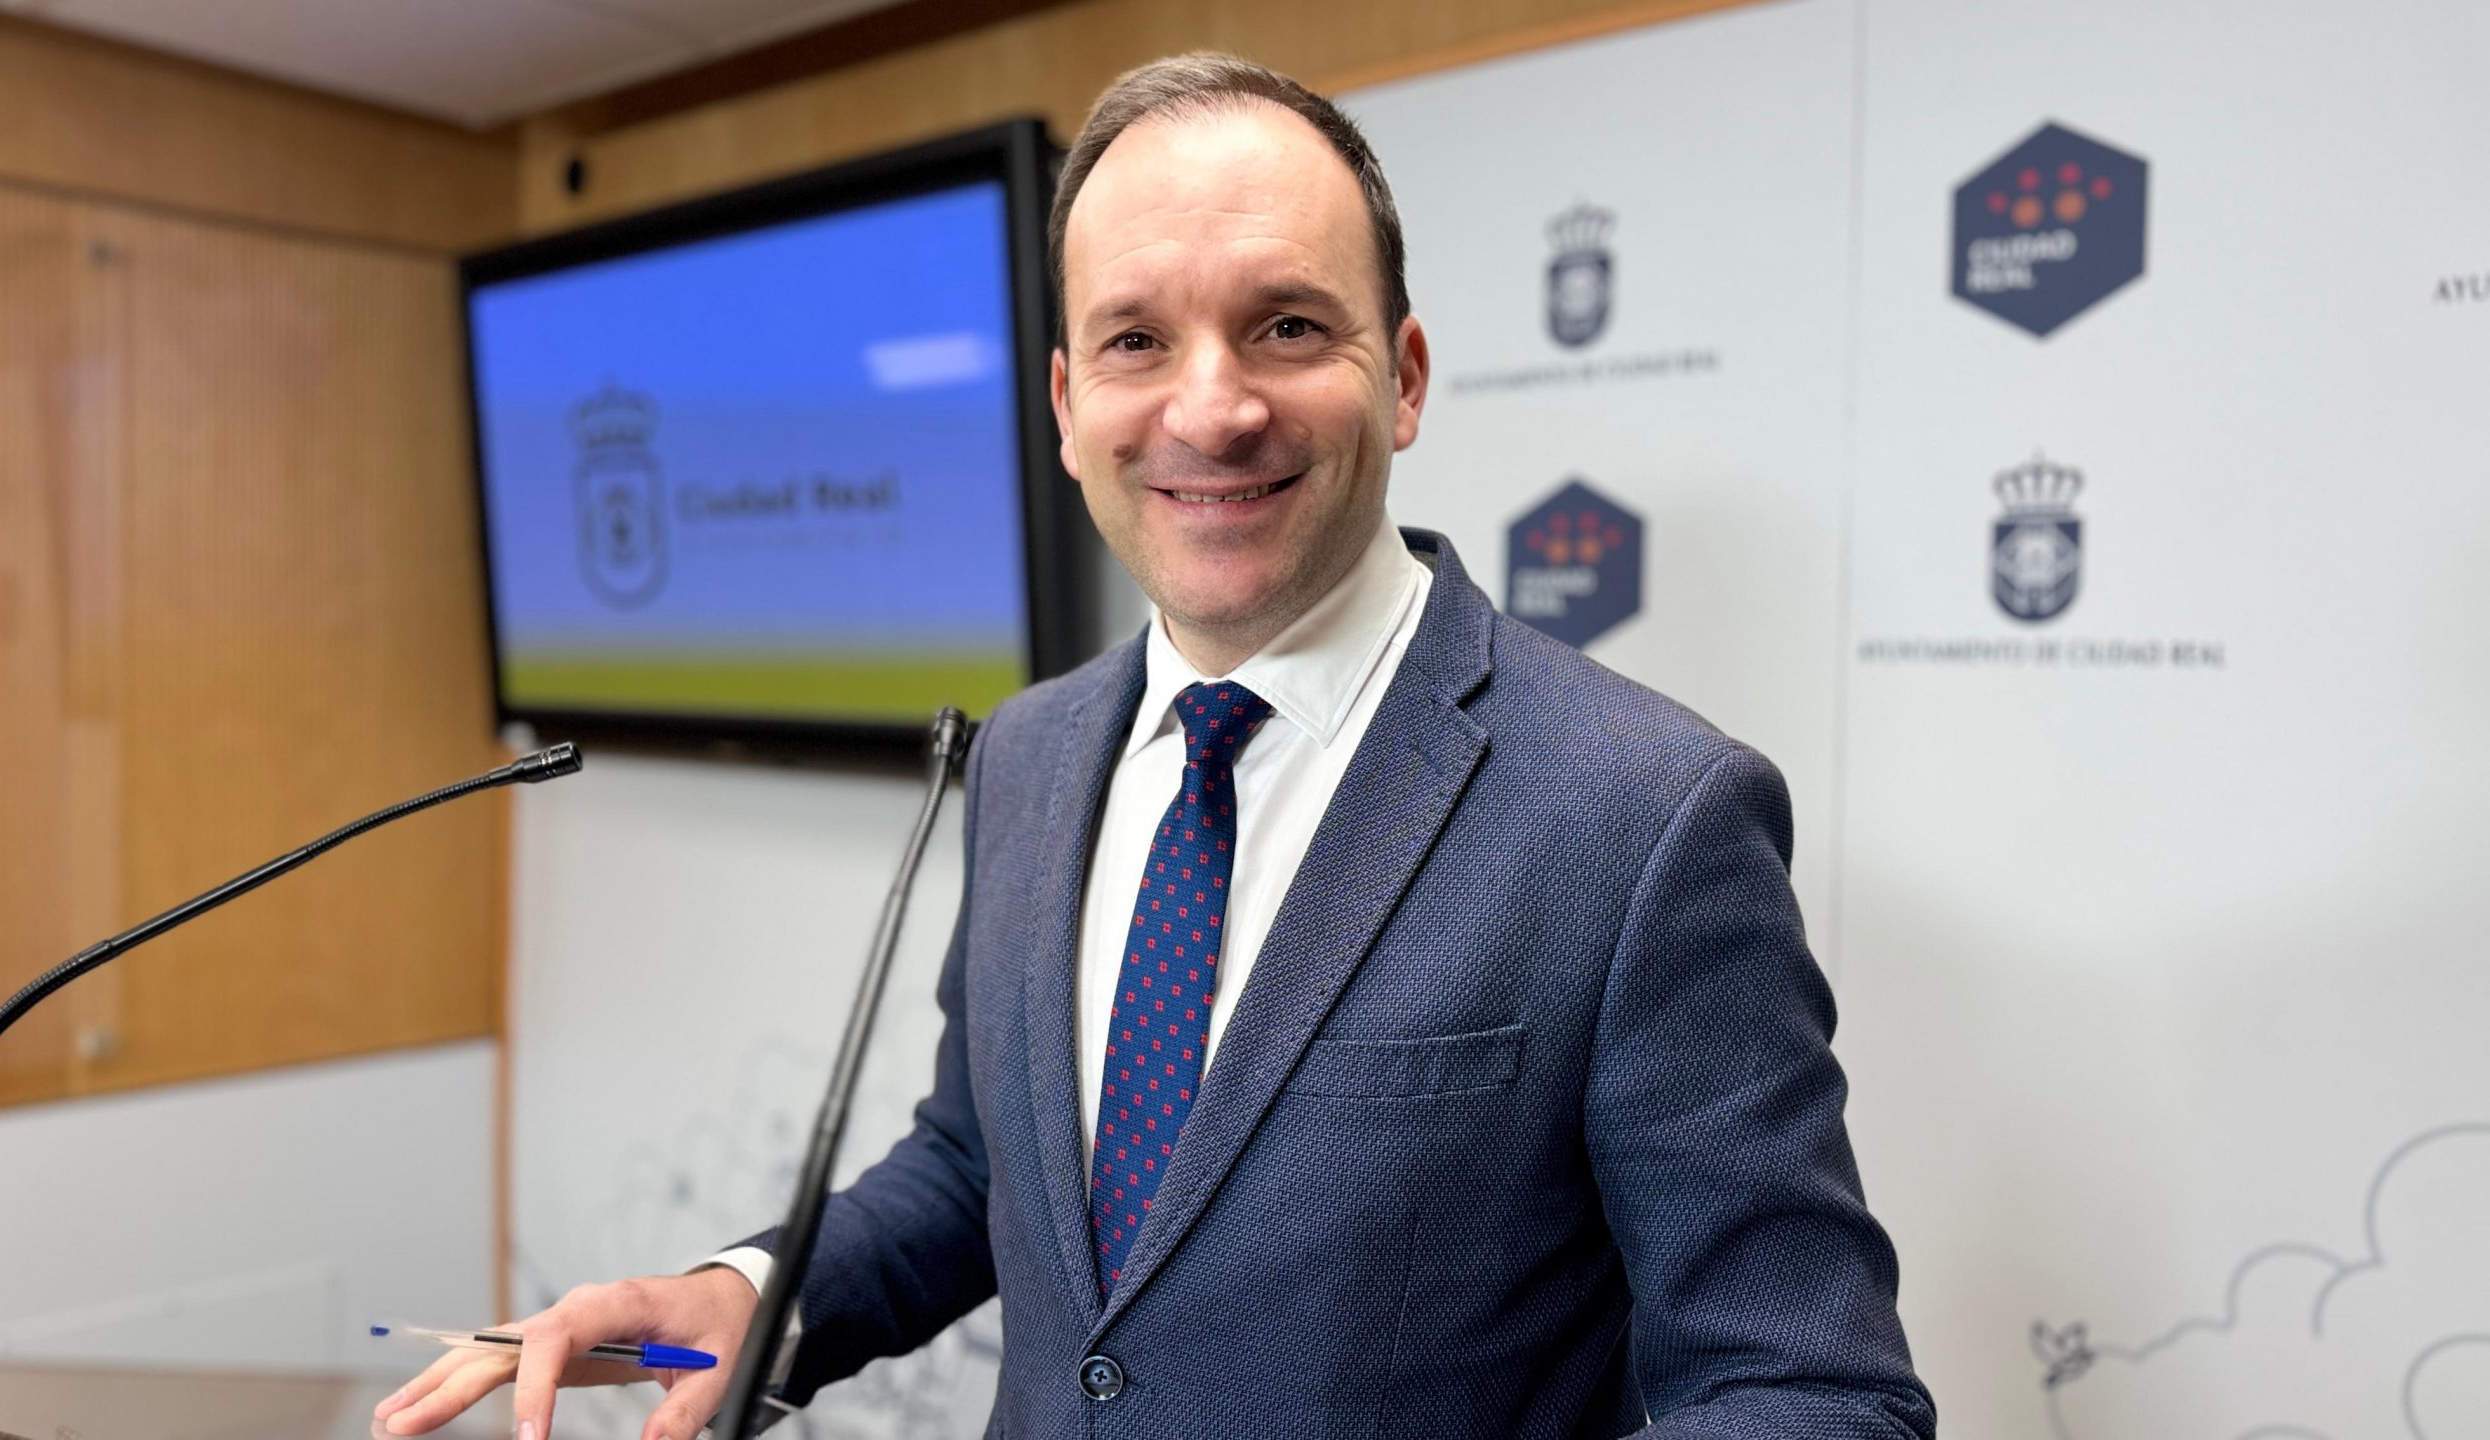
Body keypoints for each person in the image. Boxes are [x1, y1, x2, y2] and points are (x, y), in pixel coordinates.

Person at [379, 53, 1934, 1440]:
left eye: (1286, 326)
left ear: (1401, 377)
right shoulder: (1029, 754)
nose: (1213, 407)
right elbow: (982, 1169)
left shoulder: (1642, 814)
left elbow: (1816, 1393)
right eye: (1136, 340)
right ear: (1068, 406)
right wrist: (745, 1296)